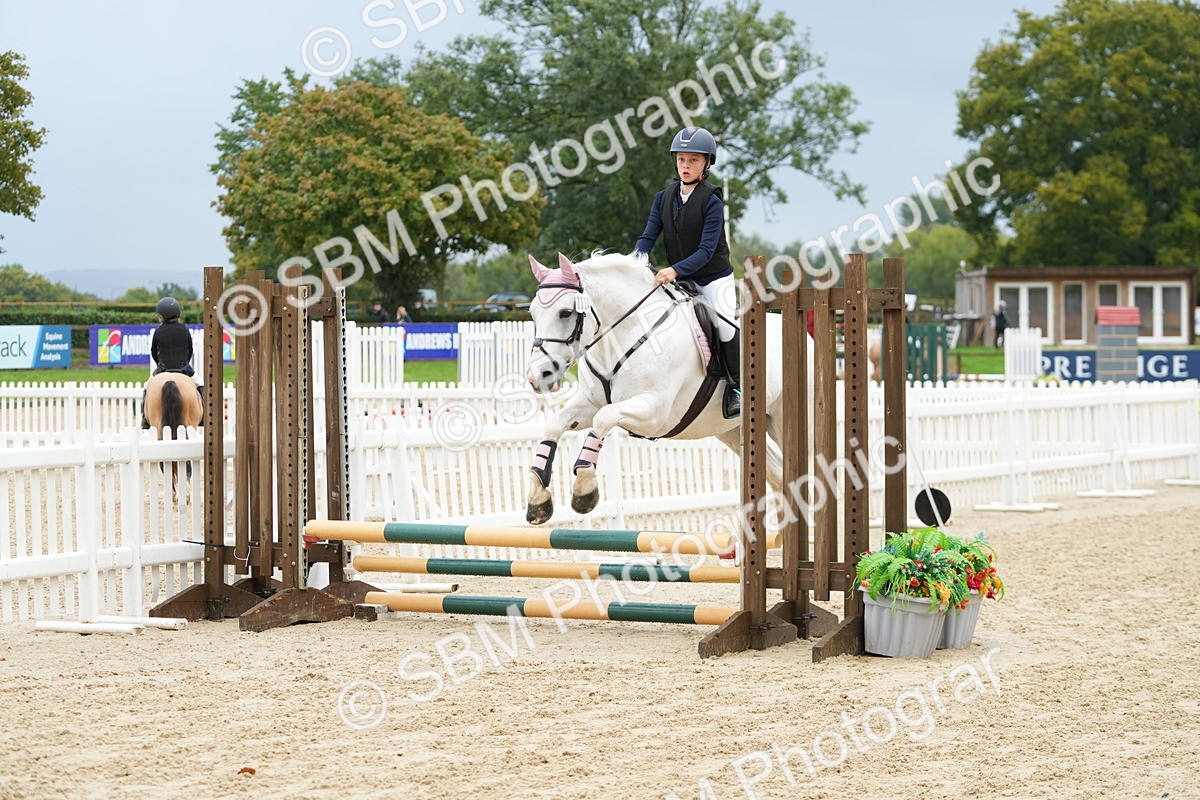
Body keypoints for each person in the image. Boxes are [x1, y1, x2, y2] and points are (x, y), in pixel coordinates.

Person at [633, 126, 741, 418]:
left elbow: (706, 251)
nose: (685, 166)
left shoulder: (712, 200)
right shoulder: (663, 198)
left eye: (693, 160)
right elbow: (648, 236)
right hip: (680, 278)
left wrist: (673, 270)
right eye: (681, 159)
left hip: (713, 278)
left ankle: (736, 387)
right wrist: (635, 260)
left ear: (706, 163)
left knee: (725, 325)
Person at [141, 296, 202, 428]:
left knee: (147, 387)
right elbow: (189, 349)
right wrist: (185, 364)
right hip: (184, 368)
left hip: (163, 369)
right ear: (178, 313)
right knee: (200, 384)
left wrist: (160, 365)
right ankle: (206, 414)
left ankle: (144, 419)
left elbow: (153, 351)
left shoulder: (158, 331)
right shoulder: (184, 329)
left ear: (162, 315)